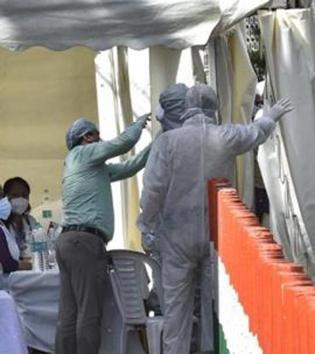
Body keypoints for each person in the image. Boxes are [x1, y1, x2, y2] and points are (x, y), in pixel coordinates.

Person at [138, 84, 293, 354]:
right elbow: (255, 133)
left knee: (177, 309)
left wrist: (146, 225)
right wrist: (271, 116)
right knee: (219, 304)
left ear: (186, 108)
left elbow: (153, 190)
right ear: (214, 107)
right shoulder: (225, 136)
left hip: (176, 235)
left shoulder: (167, 142)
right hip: (216, 233)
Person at [56, 114, 151, 354]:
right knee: (89, 313)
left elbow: (132, 165)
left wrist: (158, 142)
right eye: (95, 135)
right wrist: (138, 125)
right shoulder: (82, 153)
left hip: (70, 241)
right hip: (85, 242)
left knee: (69, 313)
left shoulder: (90, 167)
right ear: (86, 137)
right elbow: (121, 144)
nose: (100, 139)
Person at [3, 177, 38, 258]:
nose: (20, 199)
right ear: (5, 197)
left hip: (31, 266)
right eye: (15, 195)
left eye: (24, 195)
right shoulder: (2, 224)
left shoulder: (31, 221)